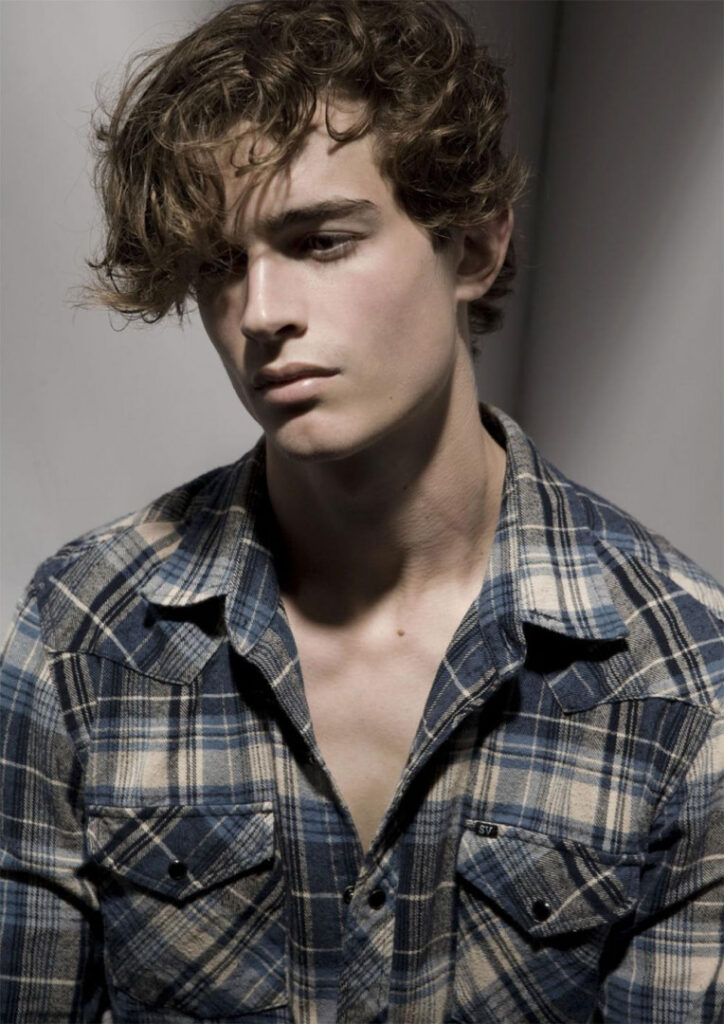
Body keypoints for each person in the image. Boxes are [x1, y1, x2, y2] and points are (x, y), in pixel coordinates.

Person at [1, 1, 721, 1021]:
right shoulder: (87, 630)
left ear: (474, 248)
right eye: (221, 263)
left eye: (321, 241)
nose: (260, 313)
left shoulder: (680, 673)